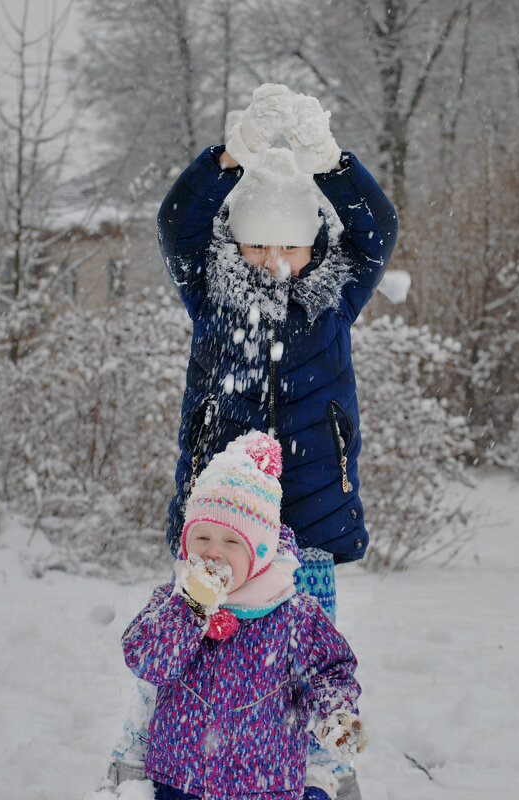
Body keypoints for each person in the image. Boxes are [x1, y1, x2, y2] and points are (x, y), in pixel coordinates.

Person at [110, 83, 398, 800]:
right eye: (259, 243)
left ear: (314, 243)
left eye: (291, 246)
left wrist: (332, 163)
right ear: (237, 242)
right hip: (223, 519)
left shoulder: (333, 297)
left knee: (307, 648)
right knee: (206, 644)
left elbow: (378, 230)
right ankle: (181, 758)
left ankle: (319, 768)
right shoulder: (210, 295)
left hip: (312, 512)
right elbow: (178, 223)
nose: (275, 261)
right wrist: (228, 158)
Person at [122, 431, 366, 800]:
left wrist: (334, 715)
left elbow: (328, 671)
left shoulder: (293, 614)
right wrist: (190, 609)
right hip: (179, 781)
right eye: (202, 538)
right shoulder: (172, 602)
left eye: (231, 541)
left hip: (264, 784)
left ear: (260, 552)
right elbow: (146, 661)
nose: (213, 553)